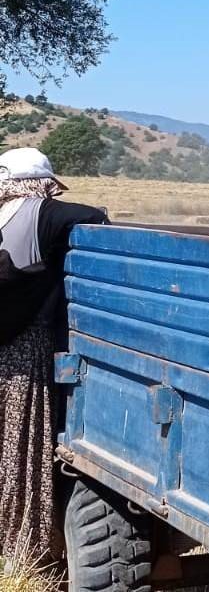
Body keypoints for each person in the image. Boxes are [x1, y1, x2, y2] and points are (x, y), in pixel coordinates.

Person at [0, 147, 107, 558]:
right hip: (22, 352)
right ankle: (20, 548)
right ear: (40, 184)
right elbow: (96, 217)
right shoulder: (43, 213)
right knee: (20, 450)